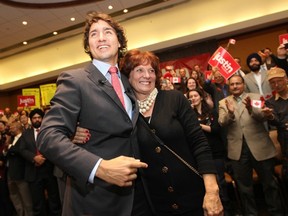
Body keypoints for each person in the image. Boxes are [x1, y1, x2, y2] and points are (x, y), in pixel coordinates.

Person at [74, 49, 223, 215]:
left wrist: (212, 191)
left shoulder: (174, 99)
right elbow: (105, 141)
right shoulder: (123, 111)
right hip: (154, 205)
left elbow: (200, 143)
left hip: (195, 196)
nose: (147, 75)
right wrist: (75, 134)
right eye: (139, 70)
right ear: (127, 76)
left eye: (151, 70)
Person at [37, 12, 153, 216]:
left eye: (107, 32)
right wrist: (99, 168)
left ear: (119, 41)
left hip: (140, 197)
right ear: (88, 45)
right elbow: (48, 136)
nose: (101, 37)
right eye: (93, 34)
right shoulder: (75, 80)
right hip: (96, 200)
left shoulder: (129, 80)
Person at [218, 74, 283, 215]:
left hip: (260, 147)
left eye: (238, 83)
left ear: (243, 84)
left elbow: (261, 117)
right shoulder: (224, 102)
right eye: (232, 84)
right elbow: (222, 122)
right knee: (245, 189)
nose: (235, 86)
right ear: (229, 87)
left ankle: (276, 212)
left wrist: (250, 109)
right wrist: (230, 113)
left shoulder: (255, 97)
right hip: (238, 151)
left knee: (270, 185)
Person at [188, 88, 231, 215]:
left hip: (216, 153)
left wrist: (198, 125)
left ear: (201, 97)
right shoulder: (189, 116)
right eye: (191, 97)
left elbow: (215, 129)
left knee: (221, 185)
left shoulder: (212, 113)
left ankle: (226, 211)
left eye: (195, 96)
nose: (193, 98)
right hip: (201, 156)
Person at [20, 109, 61, 216]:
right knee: (37, 202)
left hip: (49, 170)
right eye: (34, 118)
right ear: (31, 119)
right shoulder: (25, 134)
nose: (37, 119)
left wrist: (43, 157)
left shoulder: (49, 132)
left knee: (54, 200)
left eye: (39, 117)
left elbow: (55, 146)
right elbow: (22, 150)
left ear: (43, 119)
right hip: (33, 171)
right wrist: (34, 157)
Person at [262, 67, 288, 190]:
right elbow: (278, 123)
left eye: (279, 81)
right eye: (273, 83)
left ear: (286, 79)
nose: (276, 85)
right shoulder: (270, 102)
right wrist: (270, 116)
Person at [3, 121, 33, 216]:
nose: (10, 129)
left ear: (17, 127)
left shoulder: (24, 138)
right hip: (10, 173)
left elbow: (20, 150)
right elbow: (7, 152)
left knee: (26, 198)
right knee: (14, 196)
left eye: (12, 127)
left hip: (21, 173)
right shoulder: (11, 139)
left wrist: (10, 148)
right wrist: (6, 150)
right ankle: (20, 213)